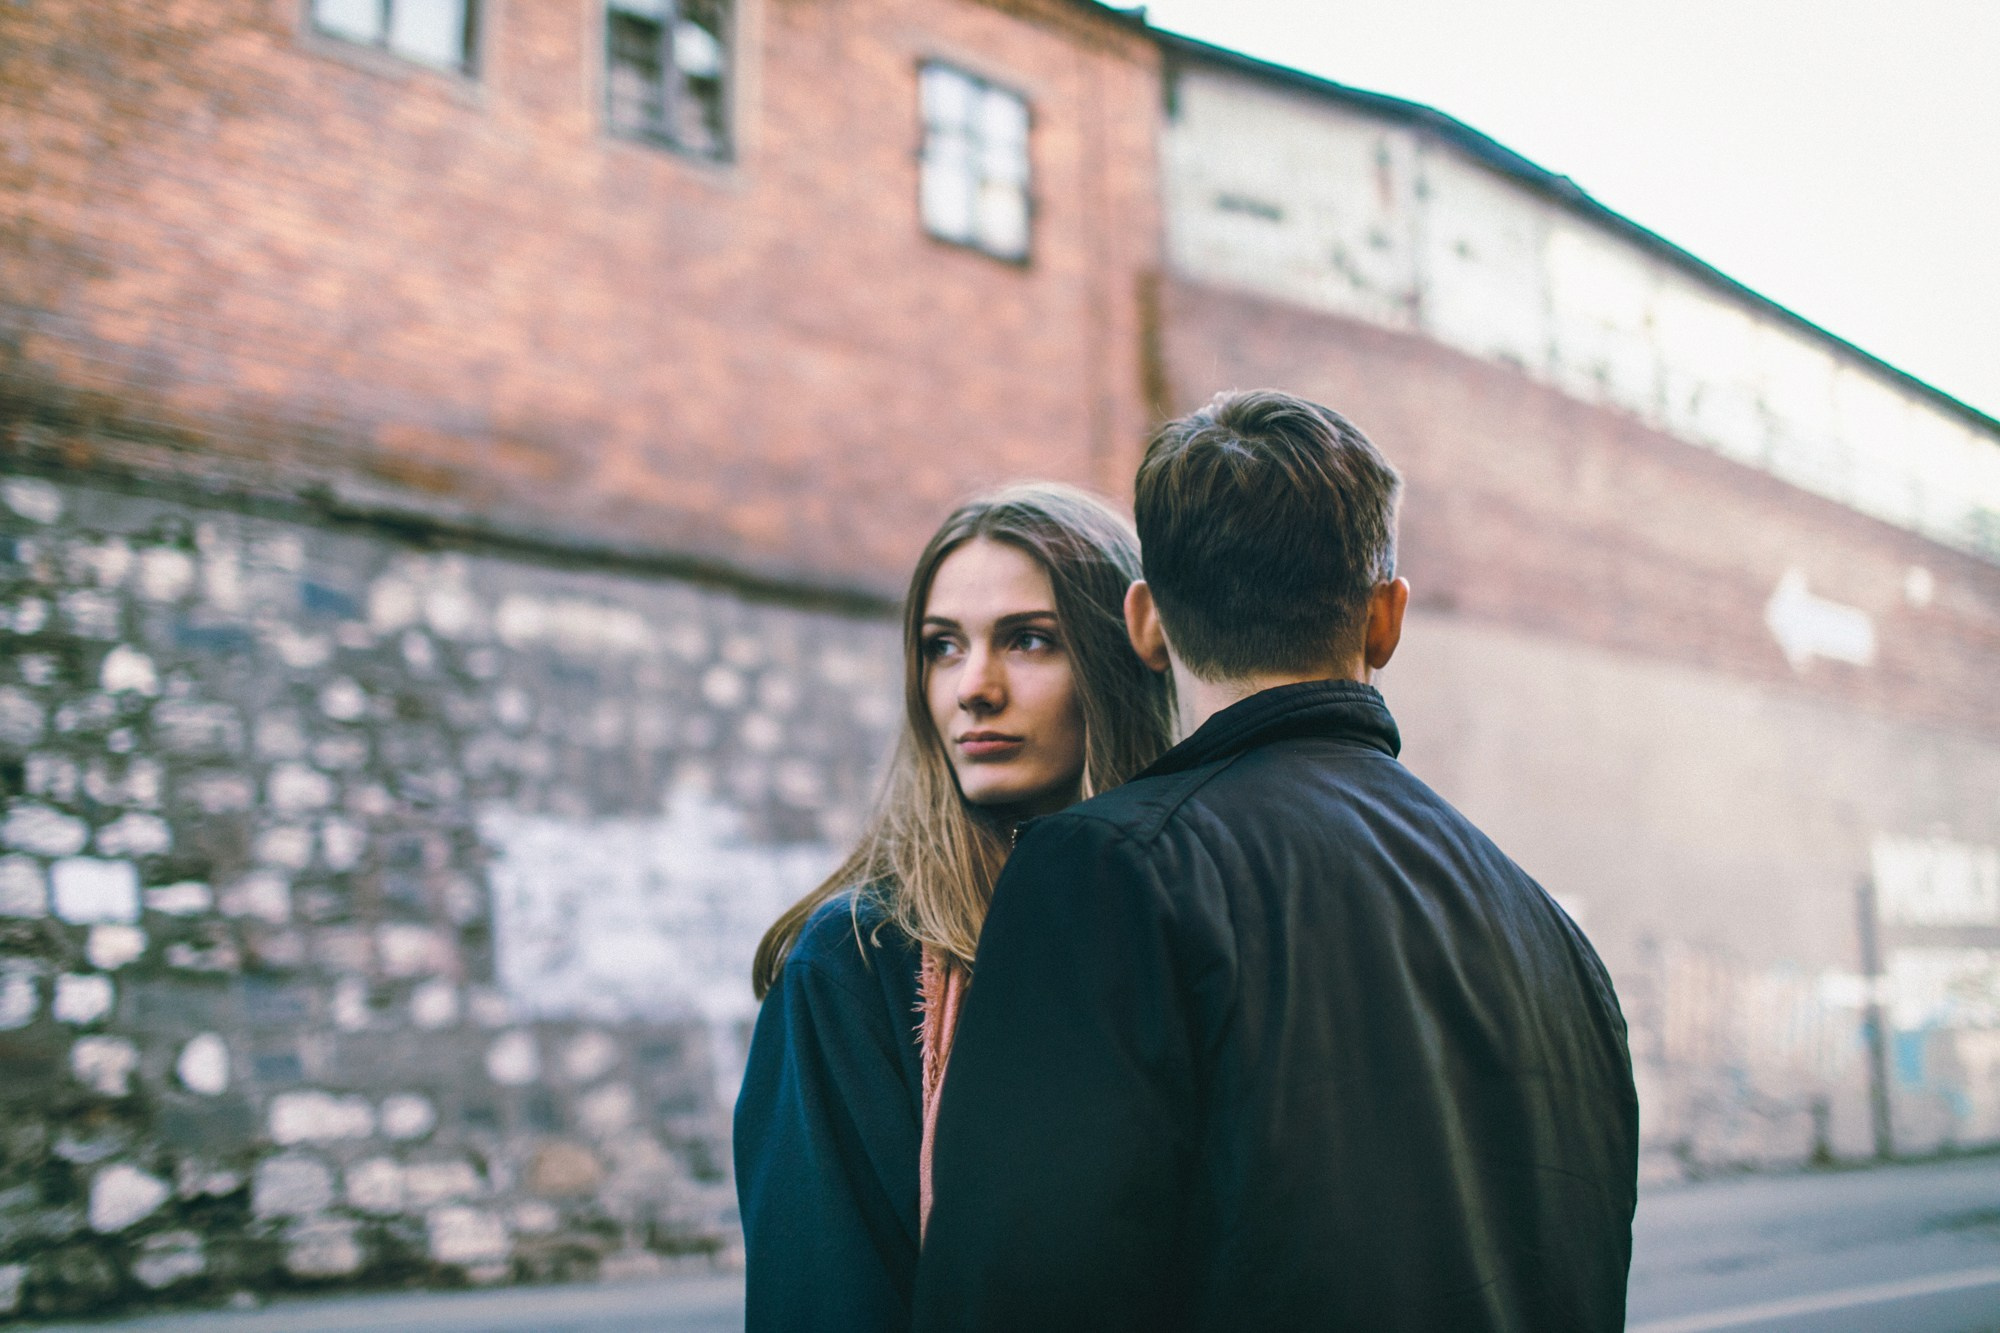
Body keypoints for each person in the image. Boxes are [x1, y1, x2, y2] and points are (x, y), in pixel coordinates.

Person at [914, 391, 1640, 1332]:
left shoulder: (1104, 873)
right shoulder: (1552, 936)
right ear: (1386, 619)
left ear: (1145, 622)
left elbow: (1011, 1295)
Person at [733, 483, 1175, 1332]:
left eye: (1031, 640)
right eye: (943, 647)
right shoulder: (858, 961)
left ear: (1123, 654)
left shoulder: (1195, 921)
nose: (974, 687)